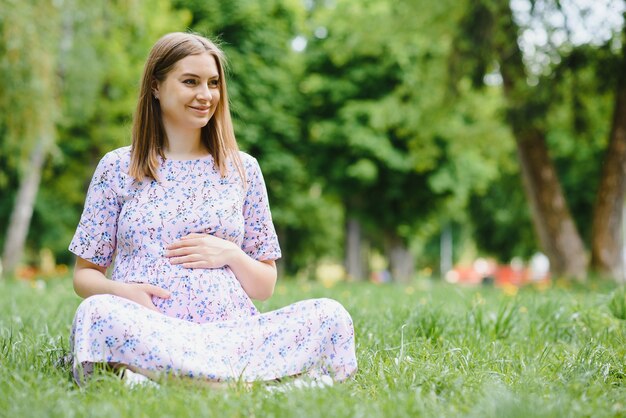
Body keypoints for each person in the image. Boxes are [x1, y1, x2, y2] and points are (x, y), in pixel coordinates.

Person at [68, 32, 357, 386]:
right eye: (191, 82)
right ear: (156, 86)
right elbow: (85, 276)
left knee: (331, 315)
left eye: (213, 83)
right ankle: (240, 384)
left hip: (231, 336)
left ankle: (176, 382)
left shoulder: (242, 169)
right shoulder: (117, 167)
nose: (206, 95)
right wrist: (125, 293)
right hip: (152, 332)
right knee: (95, 313)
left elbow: (264, 286)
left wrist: (231, 254)